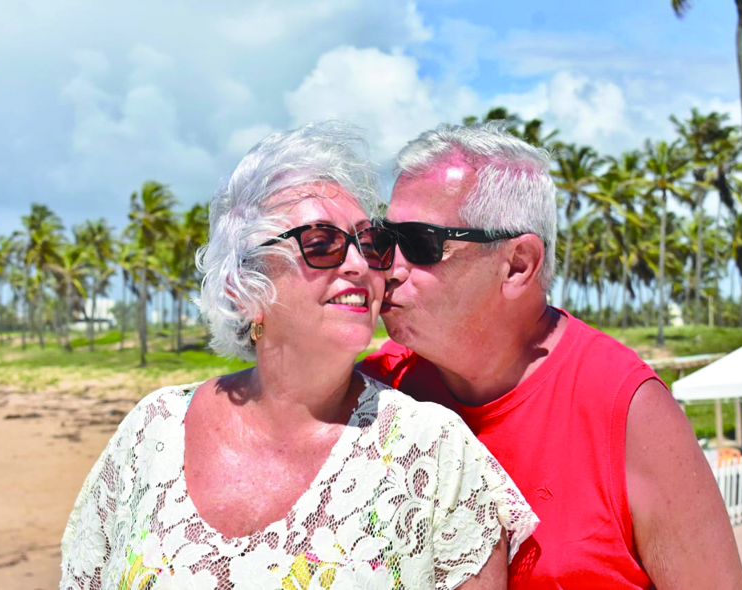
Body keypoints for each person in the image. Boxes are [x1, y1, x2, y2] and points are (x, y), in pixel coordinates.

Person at [60, 121, 538, 589]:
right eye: (321, 244)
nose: (361, 265)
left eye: (370, 244)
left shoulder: (432, 452)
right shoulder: (153, 429)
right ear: (243, 288)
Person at [361, 123, 742, 589]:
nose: (387, 268)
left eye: (421, 243)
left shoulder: (626, 411)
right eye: (384, 240)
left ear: (518, 264)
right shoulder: (377, 393)